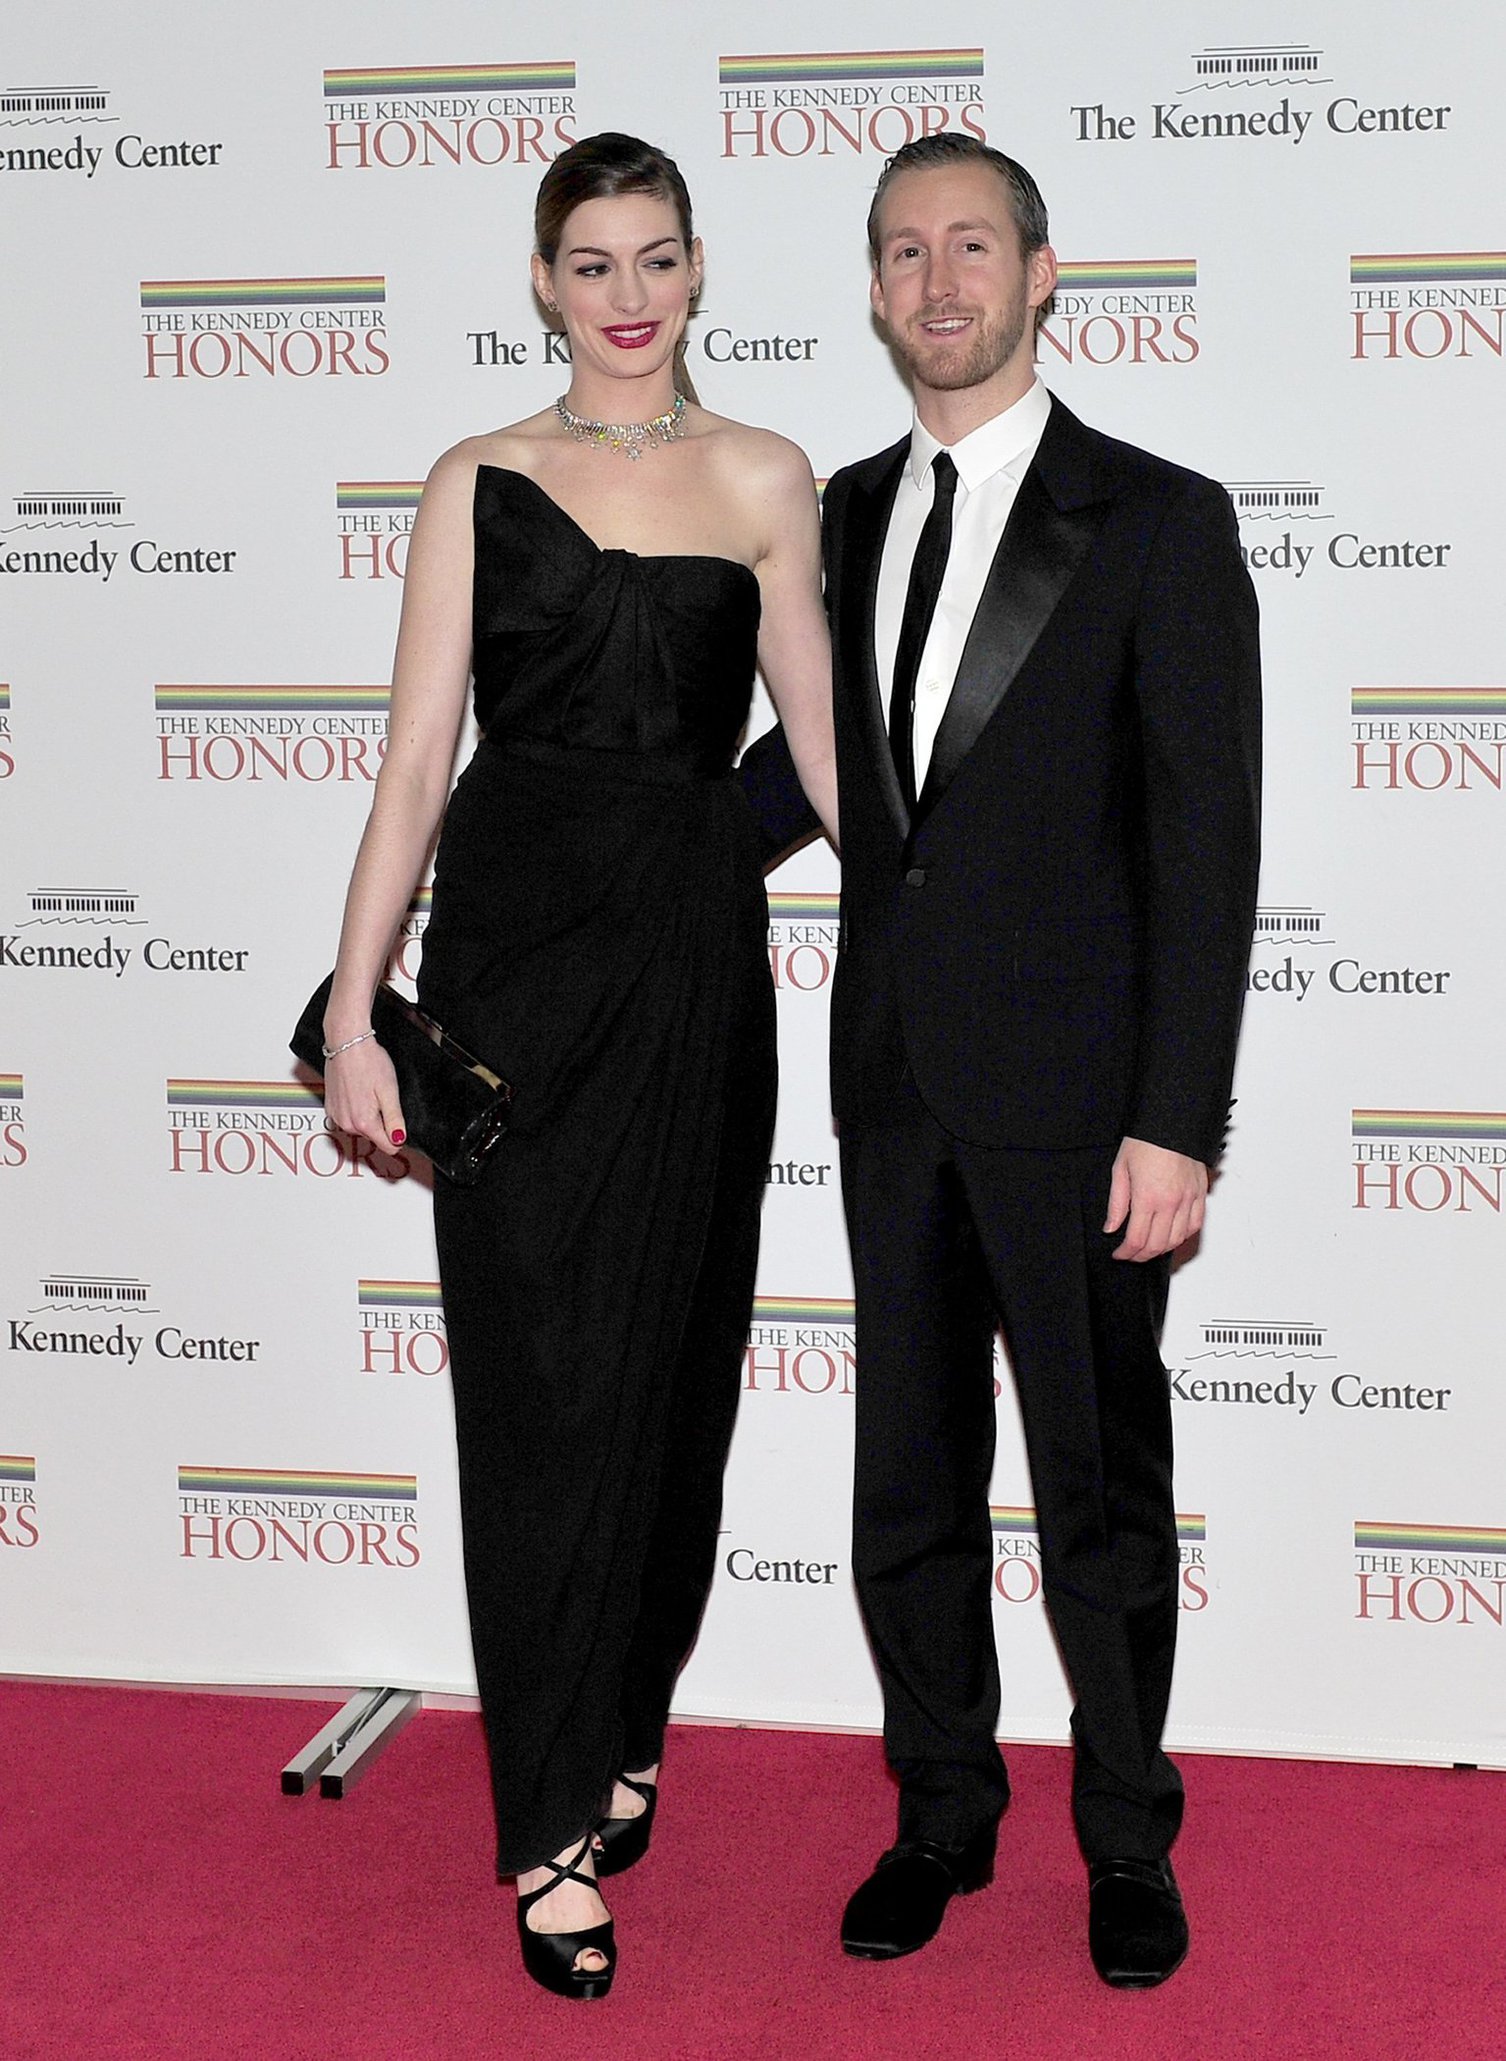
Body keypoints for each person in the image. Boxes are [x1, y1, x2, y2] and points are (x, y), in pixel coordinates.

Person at [320, 132, 836, 2001]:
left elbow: (830, 754)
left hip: (696, 968)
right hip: (518, 970)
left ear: (699, 272)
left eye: (657, 258)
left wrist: (968, 930)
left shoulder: (769, 477)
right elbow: (407, 766)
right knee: (537, 1390)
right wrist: (364, 1002)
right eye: (591, 262)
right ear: (542, 281)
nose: (627, 295)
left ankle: (622, 1713)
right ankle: (544, 1822)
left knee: (680, 1372)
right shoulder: (476, 477)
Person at [741, 133, 1260, 1987]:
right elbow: (789, 791)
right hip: (887, 1084)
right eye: (901, 250)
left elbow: (1207, 845)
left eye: (972, 245)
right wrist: (565, 892)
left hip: (1083, 1105)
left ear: (1044, 275)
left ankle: (1126, 1832)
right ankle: (941, 1812)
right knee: (910, 1478)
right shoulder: (839, 517)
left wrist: (1176, 1119)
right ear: (871, 289)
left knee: (1097, 1489)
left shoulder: (1156, 519)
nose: (936, 279)